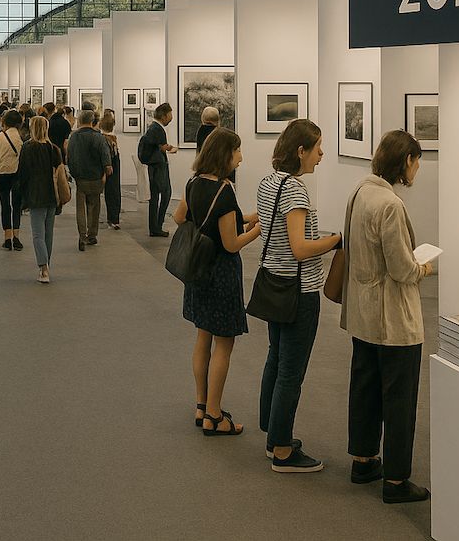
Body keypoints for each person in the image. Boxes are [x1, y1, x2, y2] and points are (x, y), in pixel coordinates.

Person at [343, 130, 436, 504]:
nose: (417, 171)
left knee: (364, 388)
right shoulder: (391, 205)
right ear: (406, 161)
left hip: (363, 314)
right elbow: (402, 269)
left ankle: (363, 461)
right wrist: (425, 268)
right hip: (393, 320)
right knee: (399, 399)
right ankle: (396, 481)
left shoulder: (359, 192)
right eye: (416, 162)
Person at [256, 118, 343, 473]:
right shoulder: (294, 191)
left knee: (276, 359)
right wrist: (336, 240)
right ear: (301, 151)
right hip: (298, 291)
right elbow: (300, 248)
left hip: (274, 285)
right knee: (291, 371)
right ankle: (281, 449)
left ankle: (273, 435)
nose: (322, 154)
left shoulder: (268, 182)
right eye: (318, 147)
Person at [171, 128, 260, 438]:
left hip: (198, 272)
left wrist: (245, 217)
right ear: (225, 154)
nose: (241, 156)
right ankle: (215, 415)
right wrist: (257, 230)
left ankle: (201, 405)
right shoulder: (224, 190)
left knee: (202, 337)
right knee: (224, 344)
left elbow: (180, 218)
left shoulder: (193, 182)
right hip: (221, 274)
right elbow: (232, 243)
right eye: (237, 151)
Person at [16, 115, 63, 283]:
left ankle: (43, 268)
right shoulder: (53, 148)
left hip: (35, 194)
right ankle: (46, 265)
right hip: (52, 194)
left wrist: (22, 196)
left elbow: (22, 173)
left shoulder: (28, 148)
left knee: (37, 234)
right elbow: (59, 172)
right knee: (48, 233)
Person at [66, 109, 112, 252]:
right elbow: (106, 159)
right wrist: (105, 171)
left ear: (79, 121)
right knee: (94, 206)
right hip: (96, 177)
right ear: (93, 121)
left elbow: (69, 157)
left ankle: (82, 236)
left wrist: (73, 173)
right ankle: (92, 235)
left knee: (81, 208)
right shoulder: (98, 137)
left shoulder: (74, 137)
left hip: (81, 178)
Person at [139, 103, 177, 237]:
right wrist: (165, 149)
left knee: (156, 197)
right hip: (158, 168)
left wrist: (164, 148)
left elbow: (156, 146)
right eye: (170, 115)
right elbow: (156, 147)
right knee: (164, 194)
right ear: (164, 115)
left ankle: (155, 226)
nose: (171, 118)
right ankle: (157, 226)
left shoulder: (154, 128)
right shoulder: (157, 129)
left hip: (155, 167)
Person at [0, 109, 24, 251]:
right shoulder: (21, 138)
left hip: (2, 174)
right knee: (16, 206)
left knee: (5, 206)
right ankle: (16, 237)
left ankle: (7, 237)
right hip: (17, 174)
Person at [100, 109, 123, 230]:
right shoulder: (113, 140)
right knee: (114, 192)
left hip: (107, 168)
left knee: (109, 193)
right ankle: (114, 218)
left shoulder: (103, 139)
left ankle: (112, 219)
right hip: (115, 168)